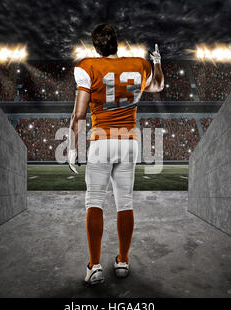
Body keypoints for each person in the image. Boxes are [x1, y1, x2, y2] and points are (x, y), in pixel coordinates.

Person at [68, 23, 164, 286]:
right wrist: (157, 63)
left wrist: (73, 147)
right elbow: (157, 86)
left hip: (102, 139)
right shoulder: (139, 64)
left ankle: (95, 266)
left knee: (95, 201)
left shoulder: (88, 67)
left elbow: (79, 115)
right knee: (125, 201)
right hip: (130, 140)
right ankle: (122, 261)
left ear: (96, 46)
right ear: (116, 43)